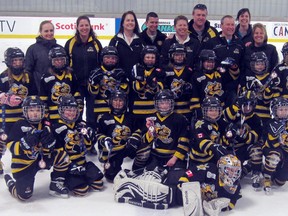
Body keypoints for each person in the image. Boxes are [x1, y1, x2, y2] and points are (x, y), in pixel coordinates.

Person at [114, 154, 242, 214]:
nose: (233, 174)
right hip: (180, 177)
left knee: (169, 196)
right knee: (158, 179)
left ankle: (129, 188)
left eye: (236, 171)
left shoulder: (235, 187)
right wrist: (183, 182)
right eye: (230, 170)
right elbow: (192, 172)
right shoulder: (211, 168)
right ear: (221, 168)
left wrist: (220, 207)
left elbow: (231, 204)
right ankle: (128, 175)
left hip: (187, 196)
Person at [4, 96, 70, 200]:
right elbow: (11, 147)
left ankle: (56, 184)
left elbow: (55, 146)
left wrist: (50, 144)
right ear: (25, 111)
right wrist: (24, 143)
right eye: (31, 110)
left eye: (38, 110)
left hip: (40, 159)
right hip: (24, 164)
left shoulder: (46, 124)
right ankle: (11, 183)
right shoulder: (19, 125)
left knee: (63, 157)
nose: (35, 113)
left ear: (42, 111)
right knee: (24, 196)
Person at [53, 95, 104, 196]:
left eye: (74, 110)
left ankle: (83, 176)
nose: (71, 113)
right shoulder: (56, 127)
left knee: (99, 184)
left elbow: (88, 147)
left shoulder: (81, 124)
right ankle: (64, 179)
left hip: (82, 163)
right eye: (68, 110)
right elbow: (56, 153)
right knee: (82, 190)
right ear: (61, 110)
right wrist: (70, 165)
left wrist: (89, 137)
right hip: (68, 166)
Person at [0, 47, 37, 174]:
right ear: (9, 61)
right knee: (2, 139)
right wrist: (4, 97)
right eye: (15, 61)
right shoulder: (3, 77)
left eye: (20, 60)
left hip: (23, 116)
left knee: (25, 139)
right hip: (7, 117)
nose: (18, 63)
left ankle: (26, 158)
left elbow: (34, 94)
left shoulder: (28, 77)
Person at [132, 89, 190, 171]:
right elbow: (145, 141)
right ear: (157, 104)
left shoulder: (180, 119)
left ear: (172, 103)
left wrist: (174, 159)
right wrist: (150, 130)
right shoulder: (151, 118)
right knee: (145, 175)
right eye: (161, 103)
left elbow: (184, 142)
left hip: (173, 156)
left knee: (174, 180)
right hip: (156, 156)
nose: (164, 106)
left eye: (167, 102)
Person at [64, 15, 102, 129]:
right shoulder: (70, 43)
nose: (84, 28)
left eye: (86, 25)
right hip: (77, 85)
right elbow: (65, 63)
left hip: (92, 85)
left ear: (90, 26)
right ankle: (76, 134)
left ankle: (91, 134)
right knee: (76, 112)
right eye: (81, 25)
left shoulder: (96, 43)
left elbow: (101, 63)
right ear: (77, 27)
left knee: (92, 112)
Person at [95, 90, 141, 181]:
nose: (118, 103)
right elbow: (99, 134)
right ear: (110, 101)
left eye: (120, 101)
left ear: (125, 102)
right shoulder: (103, 118)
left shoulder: (131, 116)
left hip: (128, 147)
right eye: (115, 100)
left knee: (143, 149)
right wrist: (104, 140)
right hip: (114, 150)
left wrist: (135, 137)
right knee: (111, 176)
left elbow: (138, 130)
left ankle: (138, 167)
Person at [222, 90, 263, 190]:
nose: (248, 108)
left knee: (256, 150)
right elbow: (224, 116)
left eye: (250, 105)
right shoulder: (234, 113)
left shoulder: (256, 119)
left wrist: (243, 134)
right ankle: (247, 168)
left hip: (244, 148)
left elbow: (255, 138)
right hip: (229, 148)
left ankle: (256, 174)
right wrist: (236, 105)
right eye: (245, 105)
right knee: (233, 178)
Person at [204, 15, 245, 107]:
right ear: (221, 25)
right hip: (215, 86)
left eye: (232, 25)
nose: (230, 27)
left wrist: (240, 83)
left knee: (232, 114)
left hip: (233, 88)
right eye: (228, 24)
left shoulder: (240, 44)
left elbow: (243, 66)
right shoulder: (211, 42)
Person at [39, 46, 83, 122]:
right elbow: (43, 98)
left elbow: (77, 93)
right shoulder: (46, 77)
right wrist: (46, 115)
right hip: (53, 116)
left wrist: (78, 109)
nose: (59, 62)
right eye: (56, 60)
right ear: (51, 61)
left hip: (69, 115)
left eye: (62, 60)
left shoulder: (71, 75)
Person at [88, 46, 129, 123]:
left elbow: (125, 92)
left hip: (117, 109)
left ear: (117, 60)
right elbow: (92, 93)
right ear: (102, 59)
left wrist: (124, 81)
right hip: (99, 108)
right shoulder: (96, 72)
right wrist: (94, 83)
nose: (110, 60)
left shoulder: (120, 72)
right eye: (107, 57)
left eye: (113, 58)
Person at [130, 45, 165, 129]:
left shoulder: (160, 70)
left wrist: (152, 84)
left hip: (153, 110)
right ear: (143, 58)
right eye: (148, 57)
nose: (150, 59)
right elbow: (136, 88)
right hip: (137, 110)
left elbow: (160, 89)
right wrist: (142, 81)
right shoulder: (136, 68)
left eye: (153, 57)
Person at [189, 96, 229, 165]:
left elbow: (218, 140)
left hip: (211, 159)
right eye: (211, 110)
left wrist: (228, 138)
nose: (214, 113)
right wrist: (214, 148)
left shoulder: (217, 123)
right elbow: (202, 142)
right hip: (198, 161)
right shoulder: (200, 124)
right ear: (204, 111)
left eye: (216, 110)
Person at [262, 97, 288, 194]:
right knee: (274, 156)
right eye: (281, 109)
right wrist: (278, 138)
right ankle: (267, 178)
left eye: (286, 109)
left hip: (285, 151)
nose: (284, 112)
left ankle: (271, 173)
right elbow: (270, 143)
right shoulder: (270, 123)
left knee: (280, 181)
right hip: (272, 149)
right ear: (274, 110)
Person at [26, 20, 61, 92]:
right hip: (38, 90)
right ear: (40, 32)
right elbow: (28, 71)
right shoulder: (32, 49)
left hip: (57, 90)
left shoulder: (60, 49)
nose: (49, 33)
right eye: (46, 31)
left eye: (51, 30)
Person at [162, 43, 194, 119]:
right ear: (171, 56)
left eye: (182, 55)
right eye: (176, 55)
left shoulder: (189, 71)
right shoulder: (166, 70)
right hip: (170, 110)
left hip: (186, 109)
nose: (179, 57)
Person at [109, 11, 144, 79]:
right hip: (120, 80)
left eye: (132, 20)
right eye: (128, 20)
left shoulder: (141, 41)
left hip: (137, 82)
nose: (130, 22)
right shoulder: (115, 40)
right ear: (123, 23)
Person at [190, 49, 225, 117]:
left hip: (218, 110)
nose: (210, 64)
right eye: (208, 62)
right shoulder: (196, 76)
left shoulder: (219, 75)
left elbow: (222, 93)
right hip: (204, 110)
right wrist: (197, 110)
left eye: (212, 62)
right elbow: (194, 94)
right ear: (202, 62)